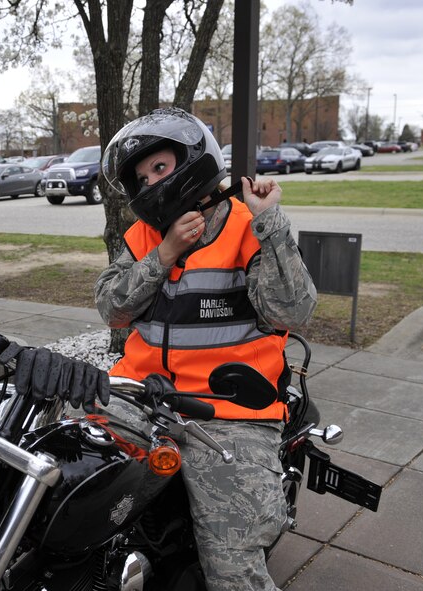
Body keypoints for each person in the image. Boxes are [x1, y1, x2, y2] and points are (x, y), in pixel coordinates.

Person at [95, 107, 317, 591]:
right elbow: (112, 309)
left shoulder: (246, 224)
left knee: (231, 565)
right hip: (138, 396)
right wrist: (164, 253)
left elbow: (292, 311)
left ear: (193, 160)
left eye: (160, 167)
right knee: (64, 479)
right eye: (142, 177)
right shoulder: (144, 236)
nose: (151, 183)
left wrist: (270, 221)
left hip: (229, 412)